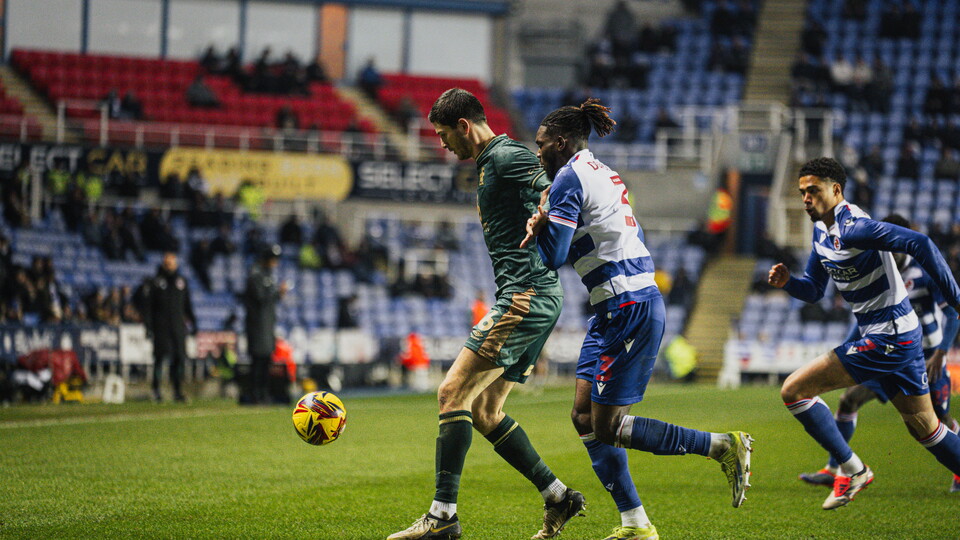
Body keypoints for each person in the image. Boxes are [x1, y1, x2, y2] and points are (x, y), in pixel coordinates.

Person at [521, 99, 752, 540]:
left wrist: (541, 225)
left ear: (561, 143)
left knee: (609, 427)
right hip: (613, 308)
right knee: (583, 416)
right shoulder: (604, 172)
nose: (538, 152)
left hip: (628, 307)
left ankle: (723, 445)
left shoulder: (569, 177)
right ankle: (635, 523)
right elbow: (632, 233)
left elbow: (552, 257)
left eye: (541, 144)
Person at [388, 88, 583, 540]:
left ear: (463, 126)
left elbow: (560, 183)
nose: (442, 144)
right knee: (485, 410)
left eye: (443, 135)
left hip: (525, 295)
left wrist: (548, 212)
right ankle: (558, 496)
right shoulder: (489, 162)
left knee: (450, 392)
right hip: (535, 295)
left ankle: (442, 516)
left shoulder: (505, 156)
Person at [767, 157, 960, 510]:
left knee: (794, 390)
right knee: (926, 428)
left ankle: (853, 470)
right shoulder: (821, 232)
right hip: (897, 336)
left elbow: (921, 244)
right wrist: (788, 283)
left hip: (889, 337)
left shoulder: (855, 228)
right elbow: (814, 289)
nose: (806, 198)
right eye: (802, 192)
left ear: (836, 190)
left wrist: (957, 300)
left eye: (814, 190)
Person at [799, 214, 960, 492]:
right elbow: (865, 321)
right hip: (885, 353)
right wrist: (843, 350)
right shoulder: (878, 269)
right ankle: (834, 468)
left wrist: (942, 352)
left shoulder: (924, 272)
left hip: (926, 358)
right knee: (849, 400)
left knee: (935, 420)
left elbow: (952, 314)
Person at [142, 251, 196, 402]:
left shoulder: (181, 282)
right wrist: (148, 327)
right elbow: (148, 308)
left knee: (179, 358)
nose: (169, 266)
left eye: (172, 263)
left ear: (176, 264)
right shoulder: (155, 282)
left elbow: (187, 305)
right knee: (160, 358)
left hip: (178, 327)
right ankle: (156, 390)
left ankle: (177, 391)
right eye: (167, 263)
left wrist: (194, 322)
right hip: (161, 327)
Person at [243, 244, 288, 405]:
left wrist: (278, 294)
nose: (275, 262)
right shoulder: (255, 275)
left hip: (267, 326)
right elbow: (260, 298)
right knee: (257, 361)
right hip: (257, 326)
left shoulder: (269, 276)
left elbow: (269, 299)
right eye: (273, 259)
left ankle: (264, 394)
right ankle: (255, 394)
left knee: (266, 361)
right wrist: (277, 292)